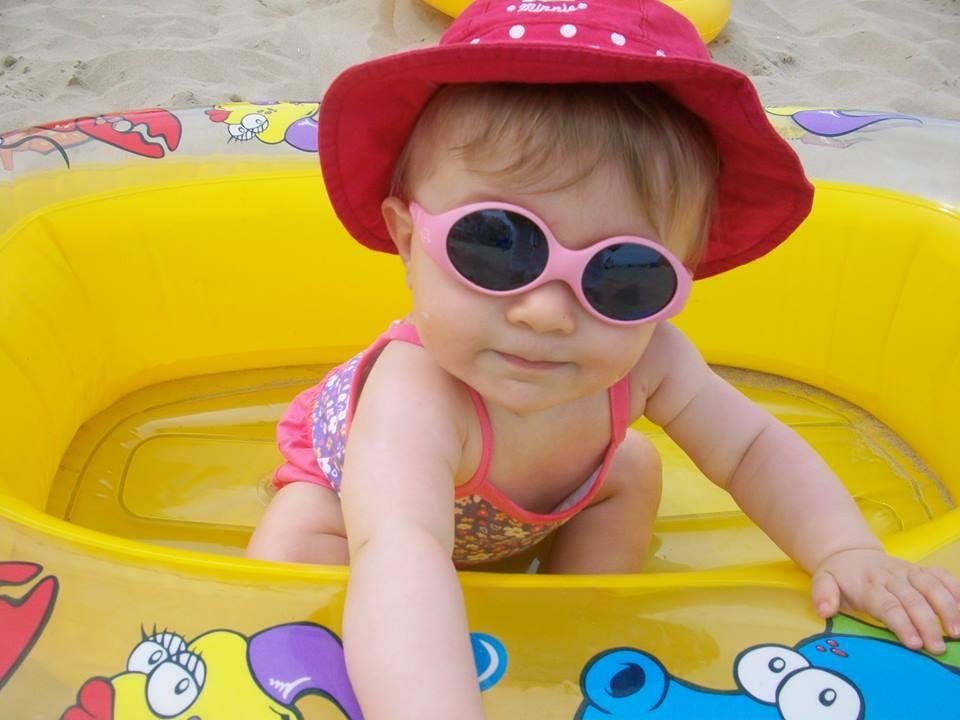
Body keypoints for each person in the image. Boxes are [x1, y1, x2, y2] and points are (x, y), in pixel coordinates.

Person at [247, 0, 960, 716]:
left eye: (624, 276)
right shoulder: (415, 393)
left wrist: (845, 550)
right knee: (296, 545)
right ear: (407, 240)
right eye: (496, 244)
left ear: (680, 283)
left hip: (524, 512)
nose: (547, 313)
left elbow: (751, 449)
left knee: (630, 471)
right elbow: (400, 553)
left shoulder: (653, 361)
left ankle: (581, 623)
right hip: (356, 506)